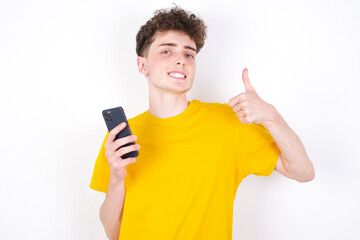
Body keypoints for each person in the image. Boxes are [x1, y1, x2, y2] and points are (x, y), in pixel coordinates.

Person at [90, 6, 315, 240]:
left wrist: (271, 117)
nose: (181, 60)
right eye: (166, 51)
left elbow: (303, 171)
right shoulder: (120, 138)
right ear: (142, 65)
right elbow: (113, 233)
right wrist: (116, 178)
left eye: (189, 54)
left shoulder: (229, 123)